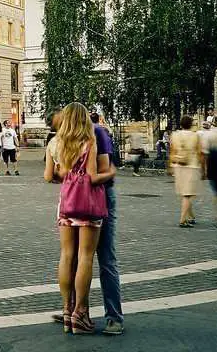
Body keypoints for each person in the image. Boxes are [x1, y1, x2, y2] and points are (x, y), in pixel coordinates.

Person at [44, 103, 112, 336]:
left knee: (66, 256)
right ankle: (80, 313)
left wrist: (67, 176)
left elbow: (48, 176)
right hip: (88, 206)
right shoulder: (89, 141)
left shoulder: (54, 143)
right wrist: (110, 172)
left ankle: (66, 311)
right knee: (85, 256)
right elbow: (93, 176)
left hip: (67, 205)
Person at [90, 111, 124, 335]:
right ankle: (75, 313)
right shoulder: (65, 138)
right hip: (82, 199)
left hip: (95, 197)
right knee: (78, 258)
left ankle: (113, 316)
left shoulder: (97, 132)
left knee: (103, 258)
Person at [169, 116, 201, 228]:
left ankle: (191, 216)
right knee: (188, 194)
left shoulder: (175, 135)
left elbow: (172, 150)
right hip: (191, 166)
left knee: (186, 193)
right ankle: (183, 220)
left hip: (178, 165)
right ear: (191, 124)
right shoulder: (195, 135)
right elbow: (199, 151)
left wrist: (170, 165)